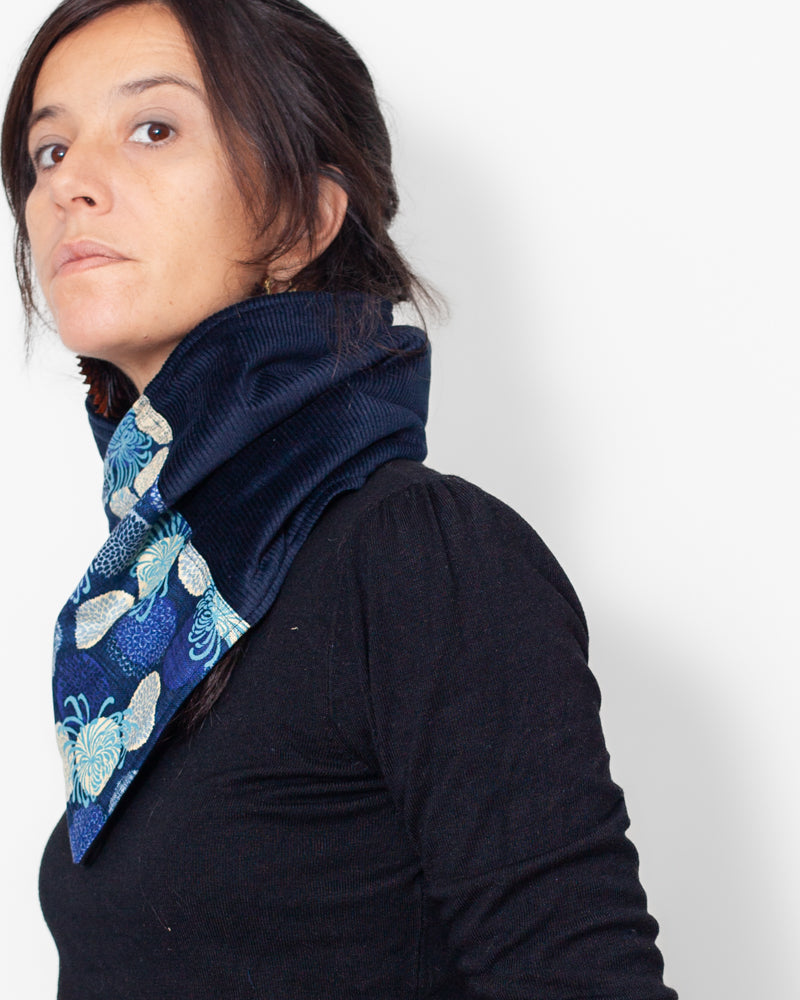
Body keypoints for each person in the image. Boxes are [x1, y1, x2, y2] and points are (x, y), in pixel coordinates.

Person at [3, 1, 678, 997]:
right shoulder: (163, 594)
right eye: (49, 151)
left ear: (301, 221)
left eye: (153, 128)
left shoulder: (421, 554)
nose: (69, 185)